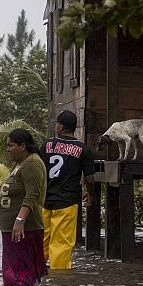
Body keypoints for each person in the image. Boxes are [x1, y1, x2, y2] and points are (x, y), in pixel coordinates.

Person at [41, 110, 96, 270]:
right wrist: (90, 194)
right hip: (67, 202)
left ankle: (36, 276)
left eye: (57, 124)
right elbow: (89, 178)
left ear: (61, 126)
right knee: (61, 245)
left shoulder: (46, 145)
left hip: (45, 201)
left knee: (41, 241)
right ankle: (59, 280)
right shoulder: (83, 149)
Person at [0, 128, 48, 286]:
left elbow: (32, 195)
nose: (8, 149)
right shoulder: (23, 163)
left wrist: (20, 220)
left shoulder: (32, 164)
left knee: (21, 277)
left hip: (25, 229)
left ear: (23, 146)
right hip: (14, 229)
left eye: (11, 145)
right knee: (14, 275)